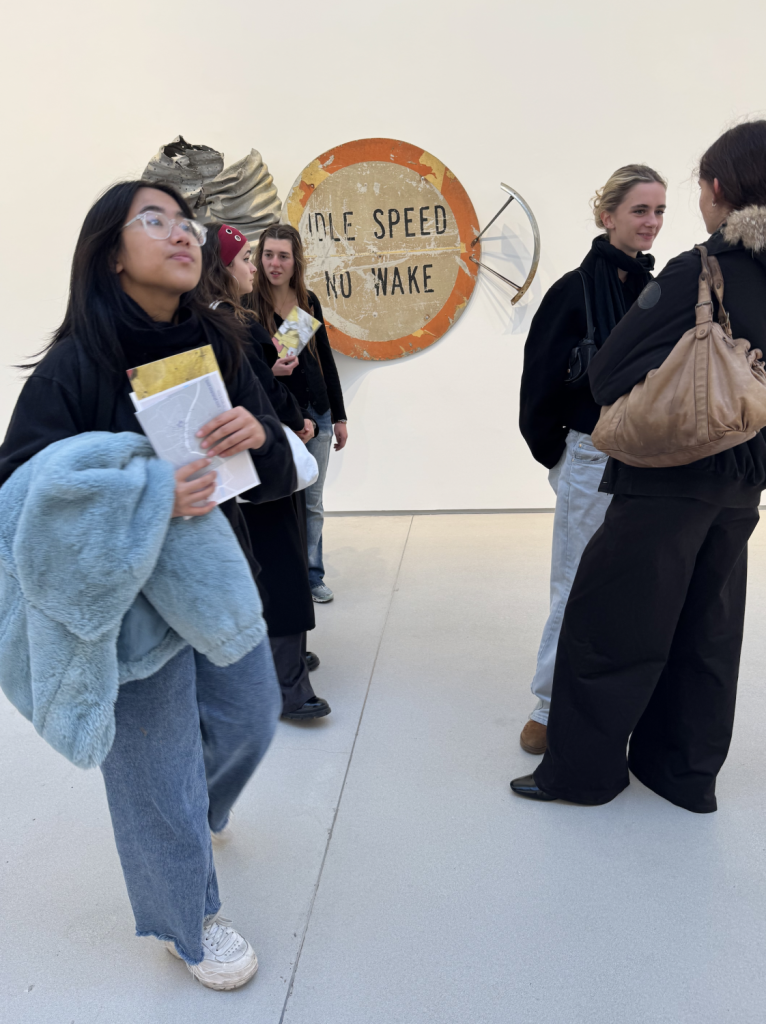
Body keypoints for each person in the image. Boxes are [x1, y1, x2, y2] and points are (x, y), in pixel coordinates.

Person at [0, 181, 297, 989]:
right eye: (153, 220)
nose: (181, 234)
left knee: (251, 718)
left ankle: (196, 813)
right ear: (110, 254)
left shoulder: (221, 339)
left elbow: (272, 474)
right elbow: (20, 495)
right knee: (155, 772)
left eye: (185, 221)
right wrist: (145, 494)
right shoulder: (72, 367)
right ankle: (188, 920)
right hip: (125, 607)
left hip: (214, 580)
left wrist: (260, 434)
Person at [511, 120, 766, 813]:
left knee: (606, 620)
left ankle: (582, 775)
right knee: (708, 633)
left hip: (668, 477)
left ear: (718, 188)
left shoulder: (700, 269)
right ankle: (683, 775)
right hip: (742, 484)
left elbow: (606, 372)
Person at [518, 165, 666, 755]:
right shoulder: (573, 290)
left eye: (659, 211)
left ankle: (609, 701)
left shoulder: (654, 289)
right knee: (574, 586)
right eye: (639, 210)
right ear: (607, 216)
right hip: (591, 454)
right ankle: (548, 707)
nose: (651, 222)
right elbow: (537, 387)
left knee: (629, 588)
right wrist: (562, 455)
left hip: (645, 457)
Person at [199, 222, 332, 719]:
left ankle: (284, 661)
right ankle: (287, 685)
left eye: (277, 256)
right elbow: (258, 388)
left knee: (269, 561)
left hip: (249, 460)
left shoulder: (217, 318)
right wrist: (295, 419)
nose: (258, 267)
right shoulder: (230, 321)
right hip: (261, 461)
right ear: (223, 267)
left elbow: (295, 370)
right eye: (247, 259)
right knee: (281, 564)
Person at [248, 224, 348, 604]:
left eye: (283, 256)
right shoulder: (248, 305)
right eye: (268, 255)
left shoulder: (307, 301)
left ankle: (312, 575)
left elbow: (325, 361)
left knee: (312, 502)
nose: (274, 263)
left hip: (318, 413)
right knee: (282, 501)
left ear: (295, 261)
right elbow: (248, 368)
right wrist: (270, 371)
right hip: (280, 416)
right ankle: (286, 577)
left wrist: (339, 417)